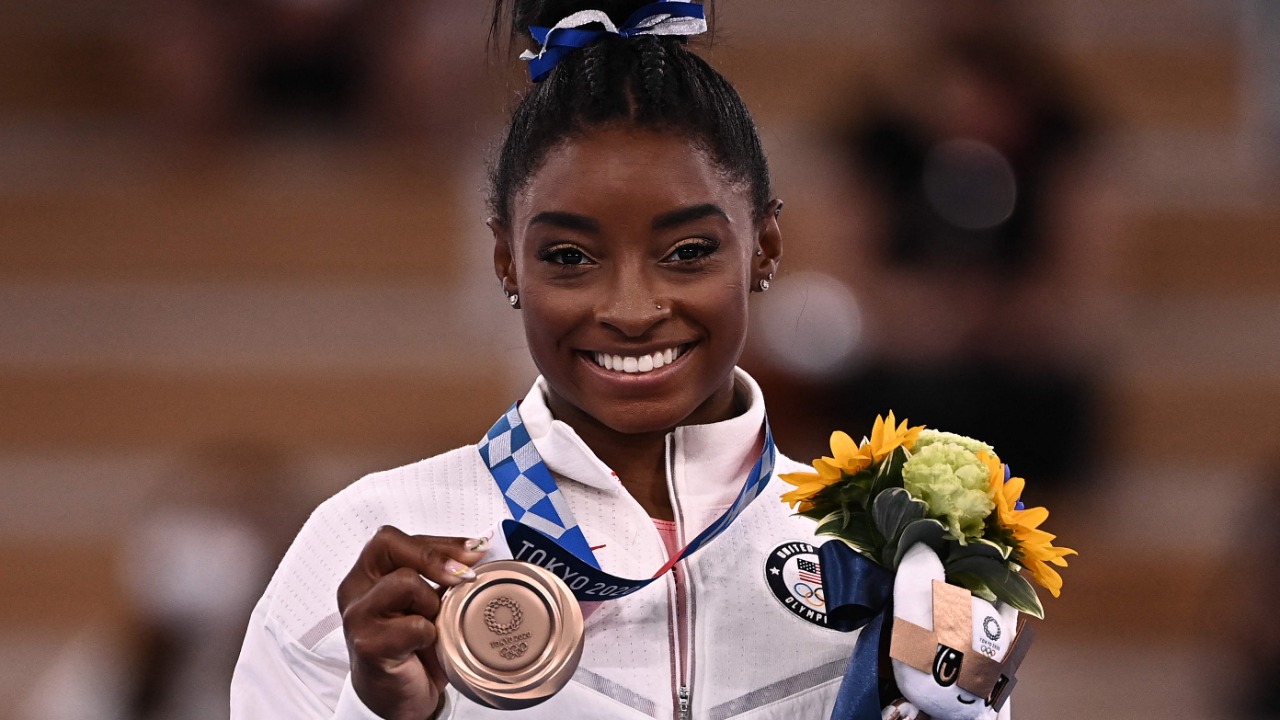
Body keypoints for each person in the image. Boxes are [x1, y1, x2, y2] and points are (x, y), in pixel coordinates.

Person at [232, 2, 993, 718]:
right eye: (570, 257)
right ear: (506, 261)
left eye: (687, 252)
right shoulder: (369, 544)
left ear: (765, 245)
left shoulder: (894, 551)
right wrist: (385, 712)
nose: (631, 310)